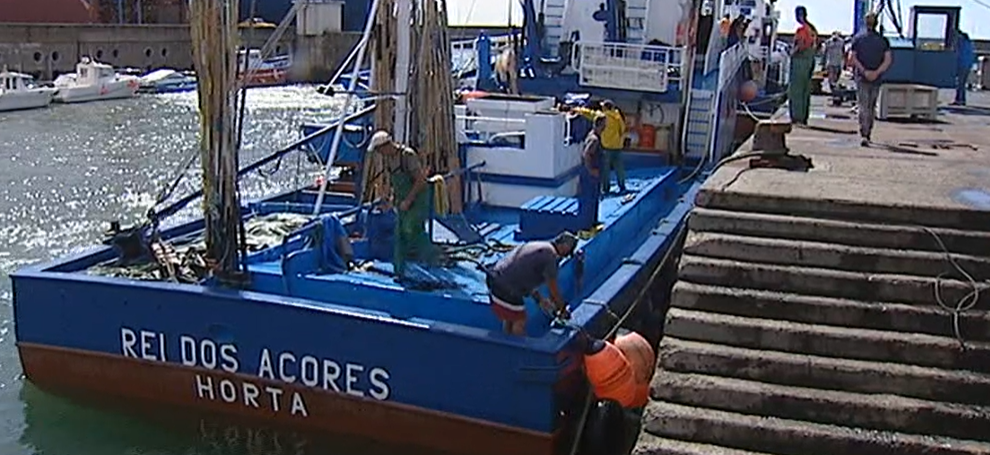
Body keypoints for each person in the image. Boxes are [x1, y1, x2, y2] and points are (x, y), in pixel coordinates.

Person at [367, 130, 435, 275]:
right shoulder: (389, 160)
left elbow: (420, 180)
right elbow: (395, 183)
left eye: (379, 150)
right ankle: (400, 270)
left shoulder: (407, 156)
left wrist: (409, 200)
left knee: (411, 228)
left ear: (386, 146)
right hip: (402, 199)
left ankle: (433, 258)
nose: (380, 154)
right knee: (399, 234)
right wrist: (392, 199)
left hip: (417, 199)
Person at [486, 232, 578, 336]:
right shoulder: (550, 257)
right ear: (565, 246)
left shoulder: (537, 245)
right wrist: (562, 309)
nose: (564, 257)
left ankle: (507, 341)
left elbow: (523, 274)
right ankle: (519, 345)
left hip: (494, 278)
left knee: (510, 318)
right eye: (567, 253)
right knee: (519, 321)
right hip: (507, 286)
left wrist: (540, 299)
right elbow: (553, 290)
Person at [849, 12, 892, 146]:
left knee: (863, 106)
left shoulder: (858, 39)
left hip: (862, 77)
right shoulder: (883, 41)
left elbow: (852, 58)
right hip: (876, 78)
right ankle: (868, 133)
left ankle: (864, 133)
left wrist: (864, 71)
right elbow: (888, 60)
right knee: (871, 107)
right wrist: (877, 72)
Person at [571, 100, 626, 194]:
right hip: (618, 146)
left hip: (607, 146)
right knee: (619, 168)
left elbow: (589, 113)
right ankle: (622, 186)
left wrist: (576, 109)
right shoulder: (618, 116)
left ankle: (605, 188)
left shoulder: (603, 116)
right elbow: (623, 129)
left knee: (605, 169)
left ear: (606, 107)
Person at [788, 6, 818, 125]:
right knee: (805, 91)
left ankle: (797, 116)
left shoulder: (802, 30)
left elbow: (800, 45)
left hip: (799, 63)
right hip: (809, 62)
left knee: (796, 90)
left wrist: (792, 53)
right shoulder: (812, 29)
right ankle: (804, 116)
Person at [954, 30, 975, 106]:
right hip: (966, 65)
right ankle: (960, 99)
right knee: (961, 83)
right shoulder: (969, 44)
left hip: (962, 64)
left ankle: (960, 99)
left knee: (960, 83)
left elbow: (958, 53)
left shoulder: (962, 43)